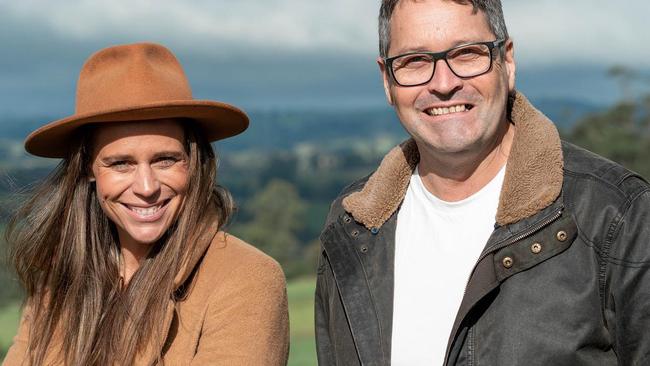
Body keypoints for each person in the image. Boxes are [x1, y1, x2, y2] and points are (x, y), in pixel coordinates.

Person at [314, 0, 650, 365]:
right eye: (415, 61)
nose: (443, 84)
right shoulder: (350, 225)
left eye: (467, 54)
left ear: (507, 61)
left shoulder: (617, 216)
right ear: (387, 80)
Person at [4, 42, 289, 365]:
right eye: (121, 163)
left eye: (165, 160)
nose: (146, 187)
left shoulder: (246, 279)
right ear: (87, 169)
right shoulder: (56, 285)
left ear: (194, 163)